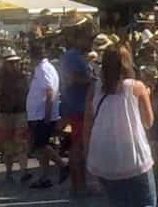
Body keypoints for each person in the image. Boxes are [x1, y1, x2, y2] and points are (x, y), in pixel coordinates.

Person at [84, 45, 156, 207]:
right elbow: (148, 122)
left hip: (105, 160)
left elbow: (87, 125)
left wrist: (87, 154)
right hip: (134, 159)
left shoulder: (94, 89)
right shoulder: (137, 87)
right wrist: (146, 96)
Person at [0, 49, 31, 184]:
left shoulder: (23, 76)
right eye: (11, 63)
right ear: (5, 64)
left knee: (21, 143)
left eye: (16, 62)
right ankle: (9, 172)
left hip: (21, 112)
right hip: (5, 114)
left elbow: (28, 93)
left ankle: (24, 171)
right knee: (7, 145)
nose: (14, 65)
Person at [26, 42, 67, 189]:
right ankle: (45, 177)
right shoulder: (41, 69)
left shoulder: (44, 69)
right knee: (41, 147)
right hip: (37, 114)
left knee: (40, 145)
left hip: (41, 115)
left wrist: (48, 115)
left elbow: (50, 91)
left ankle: (63, 166)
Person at [60, 24, 93, 195]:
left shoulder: (76, 56)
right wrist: (93, 81)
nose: (90, 42)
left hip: (77, 107)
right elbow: (73, 78)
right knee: (78, 147)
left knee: (78, 145)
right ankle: (79, 186)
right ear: (79, 39)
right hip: (77, 108)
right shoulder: (73, 57)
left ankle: (79, 185)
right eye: (88, 39)